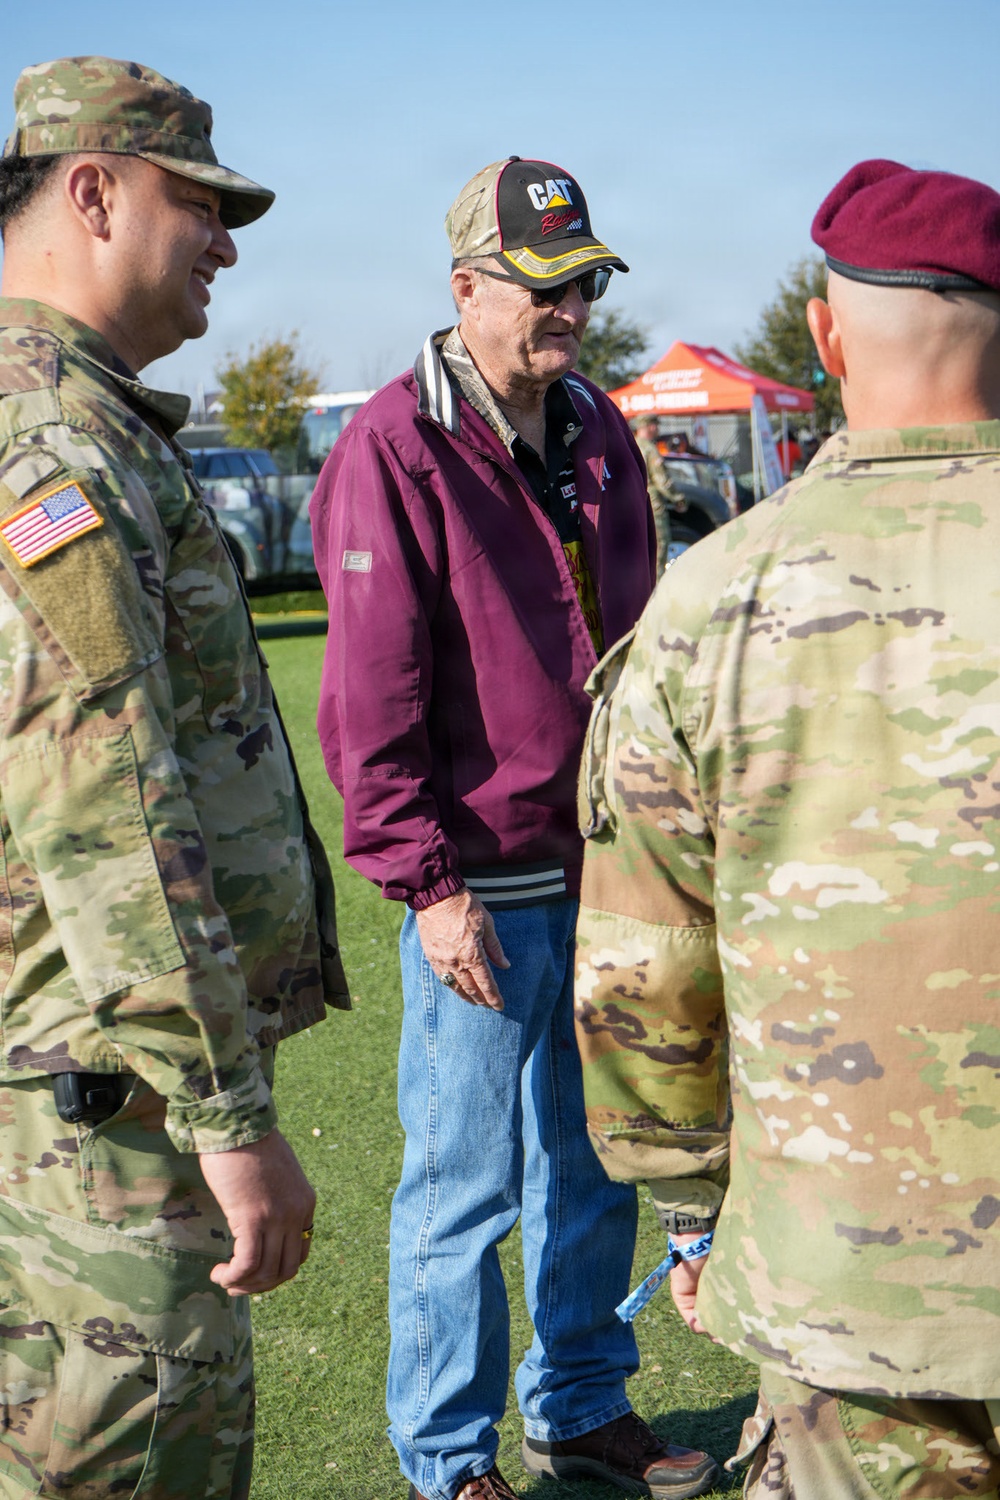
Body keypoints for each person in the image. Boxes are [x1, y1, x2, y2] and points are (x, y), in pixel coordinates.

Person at [573, 156, 1000, 1498]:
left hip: (838, 1294)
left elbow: (643, 977)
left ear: (826, 332)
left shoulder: (714, 600)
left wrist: (696, 1212)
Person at [311, 157, 718, 1500]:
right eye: (541, 283)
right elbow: (375, 692)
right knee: (463, 1191)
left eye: (583, 280)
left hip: (607, 872)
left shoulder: (598, 421)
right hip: (481, 884)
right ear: (465, 286)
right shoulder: (393, 441)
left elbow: (643, 642)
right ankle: (447, 1463)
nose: (569, 305)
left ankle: (582, 1406)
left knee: (594, 1168)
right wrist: (427, 885)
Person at [0, 56, 348, 1500]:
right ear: (92, 189)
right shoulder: (52, 447)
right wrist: (228, 1115)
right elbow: (108, 810)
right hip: (110, 1116)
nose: (226, 240)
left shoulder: (75, 420)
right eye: (196, 201)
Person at [632, 413, 687, 573]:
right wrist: (678, 499)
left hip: (632, 500)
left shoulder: (630, 444)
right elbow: (661, 480)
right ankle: (656, 586)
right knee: (659, 543)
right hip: (652, 500)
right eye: (655, 425)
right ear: (650, 426)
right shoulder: (649, 448)